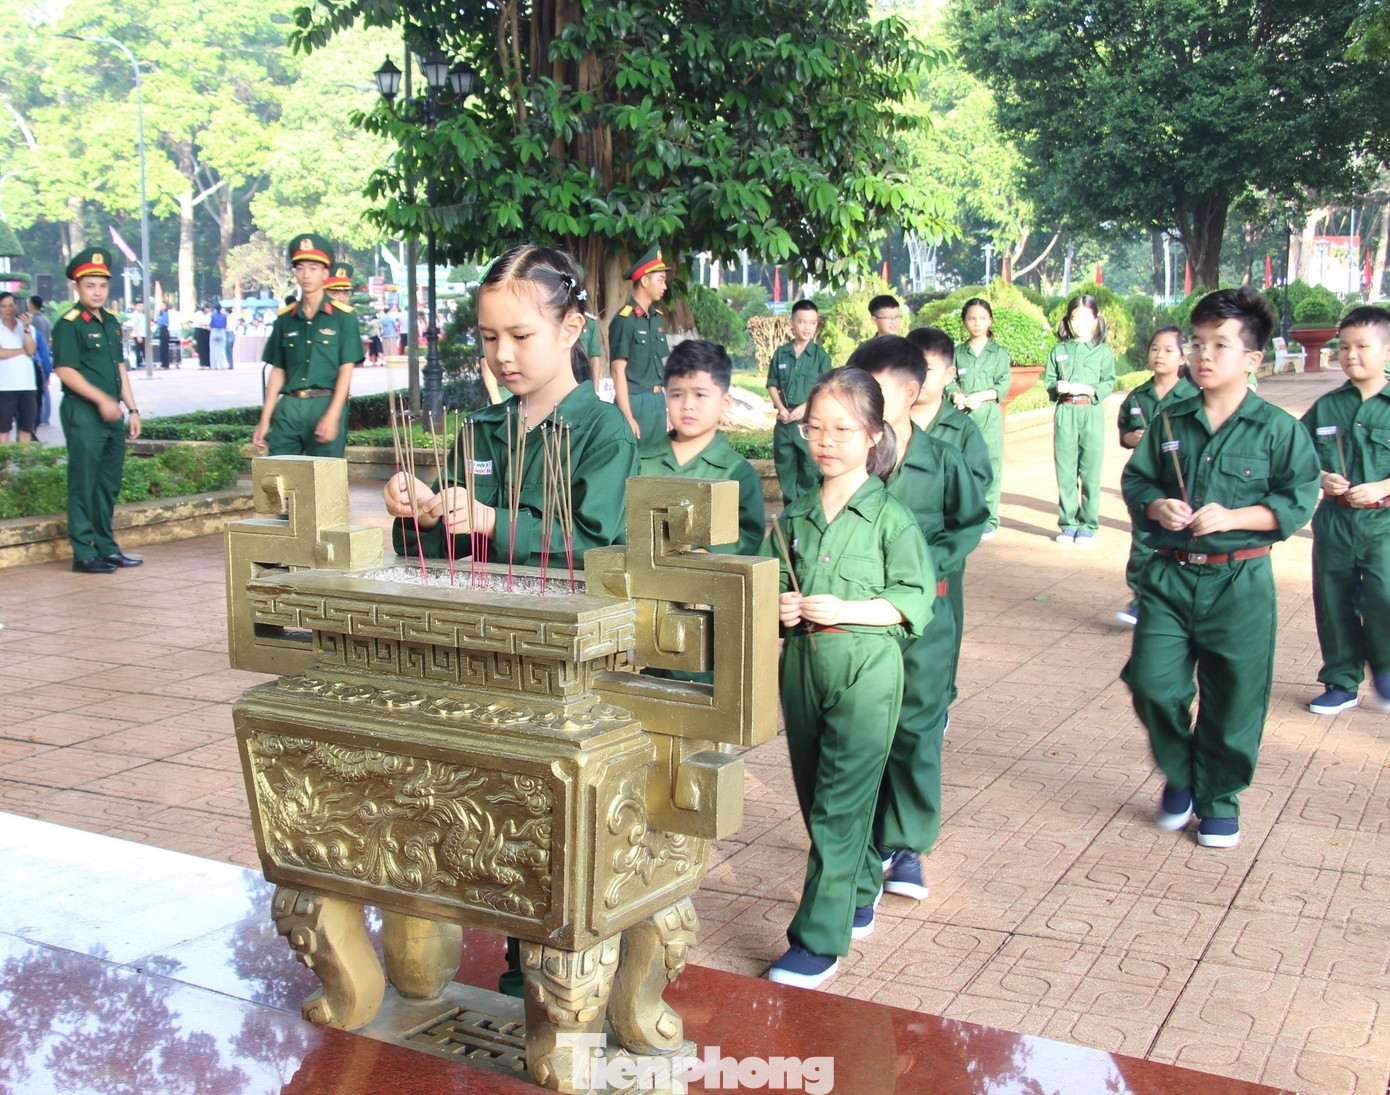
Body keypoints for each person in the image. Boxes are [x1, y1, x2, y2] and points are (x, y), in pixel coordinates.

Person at [1121, 287, 1319, 849]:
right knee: (1152, 684)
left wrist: (1235, 516)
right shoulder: (1170, 420)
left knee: (1235, 697)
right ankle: (1181, 772)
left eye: (1220, 345)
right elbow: (1138, 481)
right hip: (1170, 575)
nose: (1203, 355)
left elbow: (1298, 497)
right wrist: (1157, 506)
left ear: (1253, 359)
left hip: (1240, 579)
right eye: (1198, 343)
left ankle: (1219, 800)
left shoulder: (1278, 429)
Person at [762, 367, 934, 990]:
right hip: (803, 665)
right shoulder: (795, 516)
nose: (826, 441)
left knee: (839, 806)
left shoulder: (891, 518)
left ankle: (817, 941)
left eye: (842, 429)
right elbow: (770, 587)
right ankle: (859, 887)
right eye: (815, 428)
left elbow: (913, 601)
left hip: (867, 669)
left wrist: (848, 609)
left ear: (873, 435)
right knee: (817, 797)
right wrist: (781, 607)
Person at [384, 244, 638, 571]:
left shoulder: (605, 432)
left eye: (520, 336)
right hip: (487, 601)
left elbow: (592, 545)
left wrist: (492, 521)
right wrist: (424, 512)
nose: (502, 354)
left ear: (570, 330)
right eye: (490, 338)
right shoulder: (480, 431)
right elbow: (429, 551)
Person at [851, 336, 987, 903]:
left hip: (925, 617)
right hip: (860, 616)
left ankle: (905, 845)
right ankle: (863, 839)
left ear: (911, 391)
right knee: (862, 727)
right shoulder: (850, 456)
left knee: (916, 729)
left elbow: (970, 522)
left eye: (877, 391)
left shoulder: (944, 460)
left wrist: (924, 565)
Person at [1300, 305, 1390, 714]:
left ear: (1386, 351)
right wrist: (1322, 478)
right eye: (1344, 347)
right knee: (1333, 600)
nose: (1351, 355)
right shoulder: (1326, 407)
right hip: (1335, 521)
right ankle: (1341, 681)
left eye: (1363, 346)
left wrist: (1382, 487)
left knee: (1382, 596)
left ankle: (1385, 664)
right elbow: (1295, 457)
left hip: (1383, 522)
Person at [906, 327, 992, 707]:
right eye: (913, 367)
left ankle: (940, 700)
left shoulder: (962, 430)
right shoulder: (886, 425)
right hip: (890, 548)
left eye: (928, 369)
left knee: (944, 619)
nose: (920, 378)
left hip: (941, 551)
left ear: (949, 373)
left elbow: (977, 488)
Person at [51, 249, 144, 573]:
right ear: (77, 287)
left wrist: (132, 408)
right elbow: (65, 370)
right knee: (83, 483)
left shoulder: (111, 322)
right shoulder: (69, 324)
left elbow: (119, 367)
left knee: (107, 484)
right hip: (84, 412)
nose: (97, 292)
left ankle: (106, 547)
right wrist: (102, 400)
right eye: (90, 285)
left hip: (112, 415)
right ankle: (83, 552)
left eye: (102, 285)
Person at [641, 338, 765, 556]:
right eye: (677, 395)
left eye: (700, 395)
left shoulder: (738, 473)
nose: (687, 405)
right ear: (665, 396)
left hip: (709, 576)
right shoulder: (640, 462)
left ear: (725, 402)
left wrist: (708, 553)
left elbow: (749, 535)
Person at [1115, 327, 1199, 627]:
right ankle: (1141, 601)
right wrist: (1134, 438)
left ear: (1182, 357)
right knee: (1143, 540)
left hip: (1184, 480)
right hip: (1149, 480)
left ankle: (1180, 603)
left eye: (1168, 350)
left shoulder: (1194, 396)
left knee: (1185, 542)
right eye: (1154, 348)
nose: (1159, 355)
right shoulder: (1138, 396)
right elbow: (1124, 433)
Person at [251, 235, 362, 458]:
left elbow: (346, 370)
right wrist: (265, 419)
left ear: (325, 273)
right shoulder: (285, 318)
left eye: (313, 268)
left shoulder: (343, 317)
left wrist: (333, 415)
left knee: (324, 476)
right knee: (279, 472)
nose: (306, 275)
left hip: (324, 402)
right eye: (300, 268)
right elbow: (278, 370)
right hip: (289, 407)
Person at [1045, 294, 1115, 546]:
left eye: (1086, 318)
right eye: (1075, 318)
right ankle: (1068, 524)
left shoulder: (1102, 351)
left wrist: (1085, 389)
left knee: (1090, 471)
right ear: (1068, 320)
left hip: (1090, 412)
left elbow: (1108, 382)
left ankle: (1087, 525)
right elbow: (1049, 381)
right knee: (1065, 470)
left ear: (1096, 319)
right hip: (1065, 411)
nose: (1080, 324)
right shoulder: (1059, 350)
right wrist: (1058, 387)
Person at [952, 298, 1011, 538]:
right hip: (963, 417)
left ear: (990, 321)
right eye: (972, 318)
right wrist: (955, 395)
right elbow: (948, 380)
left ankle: (989, 518)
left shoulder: (999, 353)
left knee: (991, 465)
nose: (977, 323)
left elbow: (1003, 383)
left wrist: (983, 396)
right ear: (964, 321)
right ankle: (967, 516)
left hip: (988, 416)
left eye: (983, 318)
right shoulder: (957, 353)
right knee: (963, 466)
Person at [767, 299, 832, 506]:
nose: (807, 327)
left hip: (809, 421)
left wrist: (805, 407)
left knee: (809, 467)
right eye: (802, 322)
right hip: (785, 421)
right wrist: (781, 408)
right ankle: (791, 510)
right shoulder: (781, 354)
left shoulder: (820, 357)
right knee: (785, 466)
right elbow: (772, 384)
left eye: (812, 323)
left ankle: (807, 508)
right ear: (792, 323)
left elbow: (825, 389)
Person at [609, 245, 670, 453]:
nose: (664, 286)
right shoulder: (624, 320)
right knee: (635, 461)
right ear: (644, 281)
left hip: (657, 402)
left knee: (658, 461)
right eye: (660, 280)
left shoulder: (656, 318)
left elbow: (660, 367)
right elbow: (617, 371)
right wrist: (627, 415)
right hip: (635, 402)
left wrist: (667, 410)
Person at [0, 292, 38, 442]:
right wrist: (22, 351)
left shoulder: (29, 328)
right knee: (3, 430)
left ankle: (24, 458)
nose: (8, 309)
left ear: (17, 306)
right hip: (4, 387)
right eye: (3, 306)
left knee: (26, 429)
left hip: (27, 386)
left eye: (11, 305)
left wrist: (26, 328)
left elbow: (31, 350)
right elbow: (1, 353)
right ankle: (4, 458)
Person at [192, 304, 212, 368]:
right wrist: (206, 325)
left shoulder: (207, 314)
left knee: (207, 348)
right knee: (201, 348)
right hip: (200, 331)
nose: (208, 310)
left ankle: (207, 363)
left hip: (206, 331)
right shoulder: (199, 313)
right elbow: (199, 323)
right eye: (208, 309)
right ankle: (202, 364)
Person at [209, 304, 229, 369]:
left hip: (214, 331)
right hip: (222, 331)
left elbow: (209, 323)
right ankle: (221, 366)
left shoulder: (212, 315)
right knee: (221, 350)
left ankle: (213, 366)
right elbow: (226, 324)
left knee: (212, 350)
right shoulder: (224, 315)